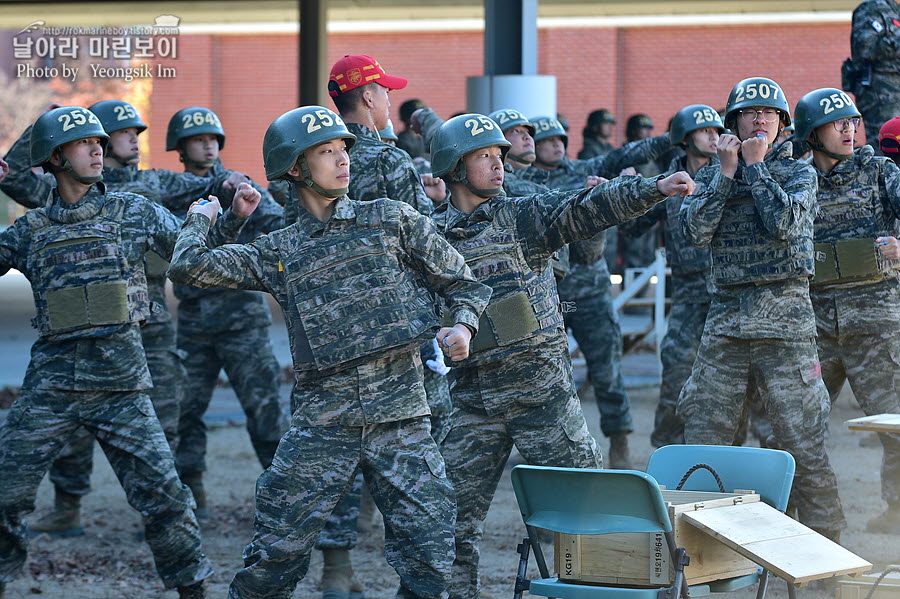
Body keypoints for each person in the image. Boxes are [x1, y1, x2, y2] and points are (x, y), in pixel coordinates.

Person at [166, 105, 491, 599]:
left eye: (344, 150)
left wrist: (463, 328)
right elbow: (188, 268)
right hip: (321, 424)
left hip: (402, 420)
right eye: (326, 152)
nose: (343, 160)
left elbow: (463, 283)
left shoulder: (391, 219)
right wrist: (206, 219)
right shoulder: (279, 250)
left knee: (431, 558)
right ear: (294, 168)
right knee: (272, 560)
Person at [428, 112, 694, 599]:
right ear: (453, 167)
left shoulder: (523, 215)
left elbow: (589, 205)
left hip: (543, 400)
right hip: (472, 405)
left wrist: (654, 188)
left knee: (591, 515)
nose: (498, 164)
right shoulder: (430, 237)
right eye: (483, 156)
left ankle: (606, 592)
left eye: (499, 155)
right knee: (448, 523)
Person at [0, 106, 259, 599]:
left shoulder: (133, 212)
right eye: (84, 144)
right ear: (55, 158)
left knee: (164, 498)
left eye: (101, 142)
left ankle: (192, 588)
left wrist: (229, 223)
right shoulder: (30, 231)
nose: (99, 149)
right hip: (51, 388)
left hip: (122, 387)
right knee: (6, 494)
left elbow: (193, 258)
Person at [678, 77, 846, 541]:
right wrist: (728, 174)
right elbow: (694, 235)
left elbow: (785, 226)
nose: (759, 120)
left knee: (804, 447)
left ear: (782, 125)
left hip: (786, 331)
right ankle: (698, 558)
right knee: (704, 444)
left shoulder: (799, 173)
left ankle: (827, 554)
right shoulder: (716, 174)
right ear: (732, 121)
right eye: (749, 113)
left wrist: (754, 170)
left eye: (768, 114)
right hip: (726, 328)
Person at [164, 106, 288, 519]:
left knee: (265, 410)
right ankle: (191, 494)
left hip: (242, 322)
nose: (208, 145)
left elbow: (279, 223)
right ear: (180, 148)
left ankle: (284, 497)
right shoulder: (174, 191)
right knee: (183, 410)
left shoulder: (242, 187)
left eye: (214, 139)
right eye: (199, 139)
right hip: (196, 323)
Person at [794, 87, 900, 533]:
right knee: (798, 429)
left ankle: (897, 513)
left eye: (853, 121)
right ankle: (807, 525)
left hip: (876, 325)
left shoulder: (880, 171)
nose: (850, 129)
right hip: (813, 329)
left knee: (895, 428)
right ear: (811, 133)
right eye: (838, 122)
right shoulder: (796, 180)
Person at [619, 104, 724, 447]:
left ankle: (732, 456)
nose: (714, 136)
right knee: (676, 375)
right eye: (705, 130)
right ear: (683, 139)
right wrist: (627, 193)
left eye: (716, 130)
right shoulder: (665, 183)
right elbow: (633, 229)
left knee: (732, 383)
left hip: (728, 295)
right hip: (687, 295)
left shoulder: (727, 175)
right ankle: (666, 449)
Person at [849, 0, 900, 149]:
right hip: (881, 95)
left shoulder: (895, 10)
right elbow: (866, 47)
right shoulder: (871, 8)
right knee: (887, 146)